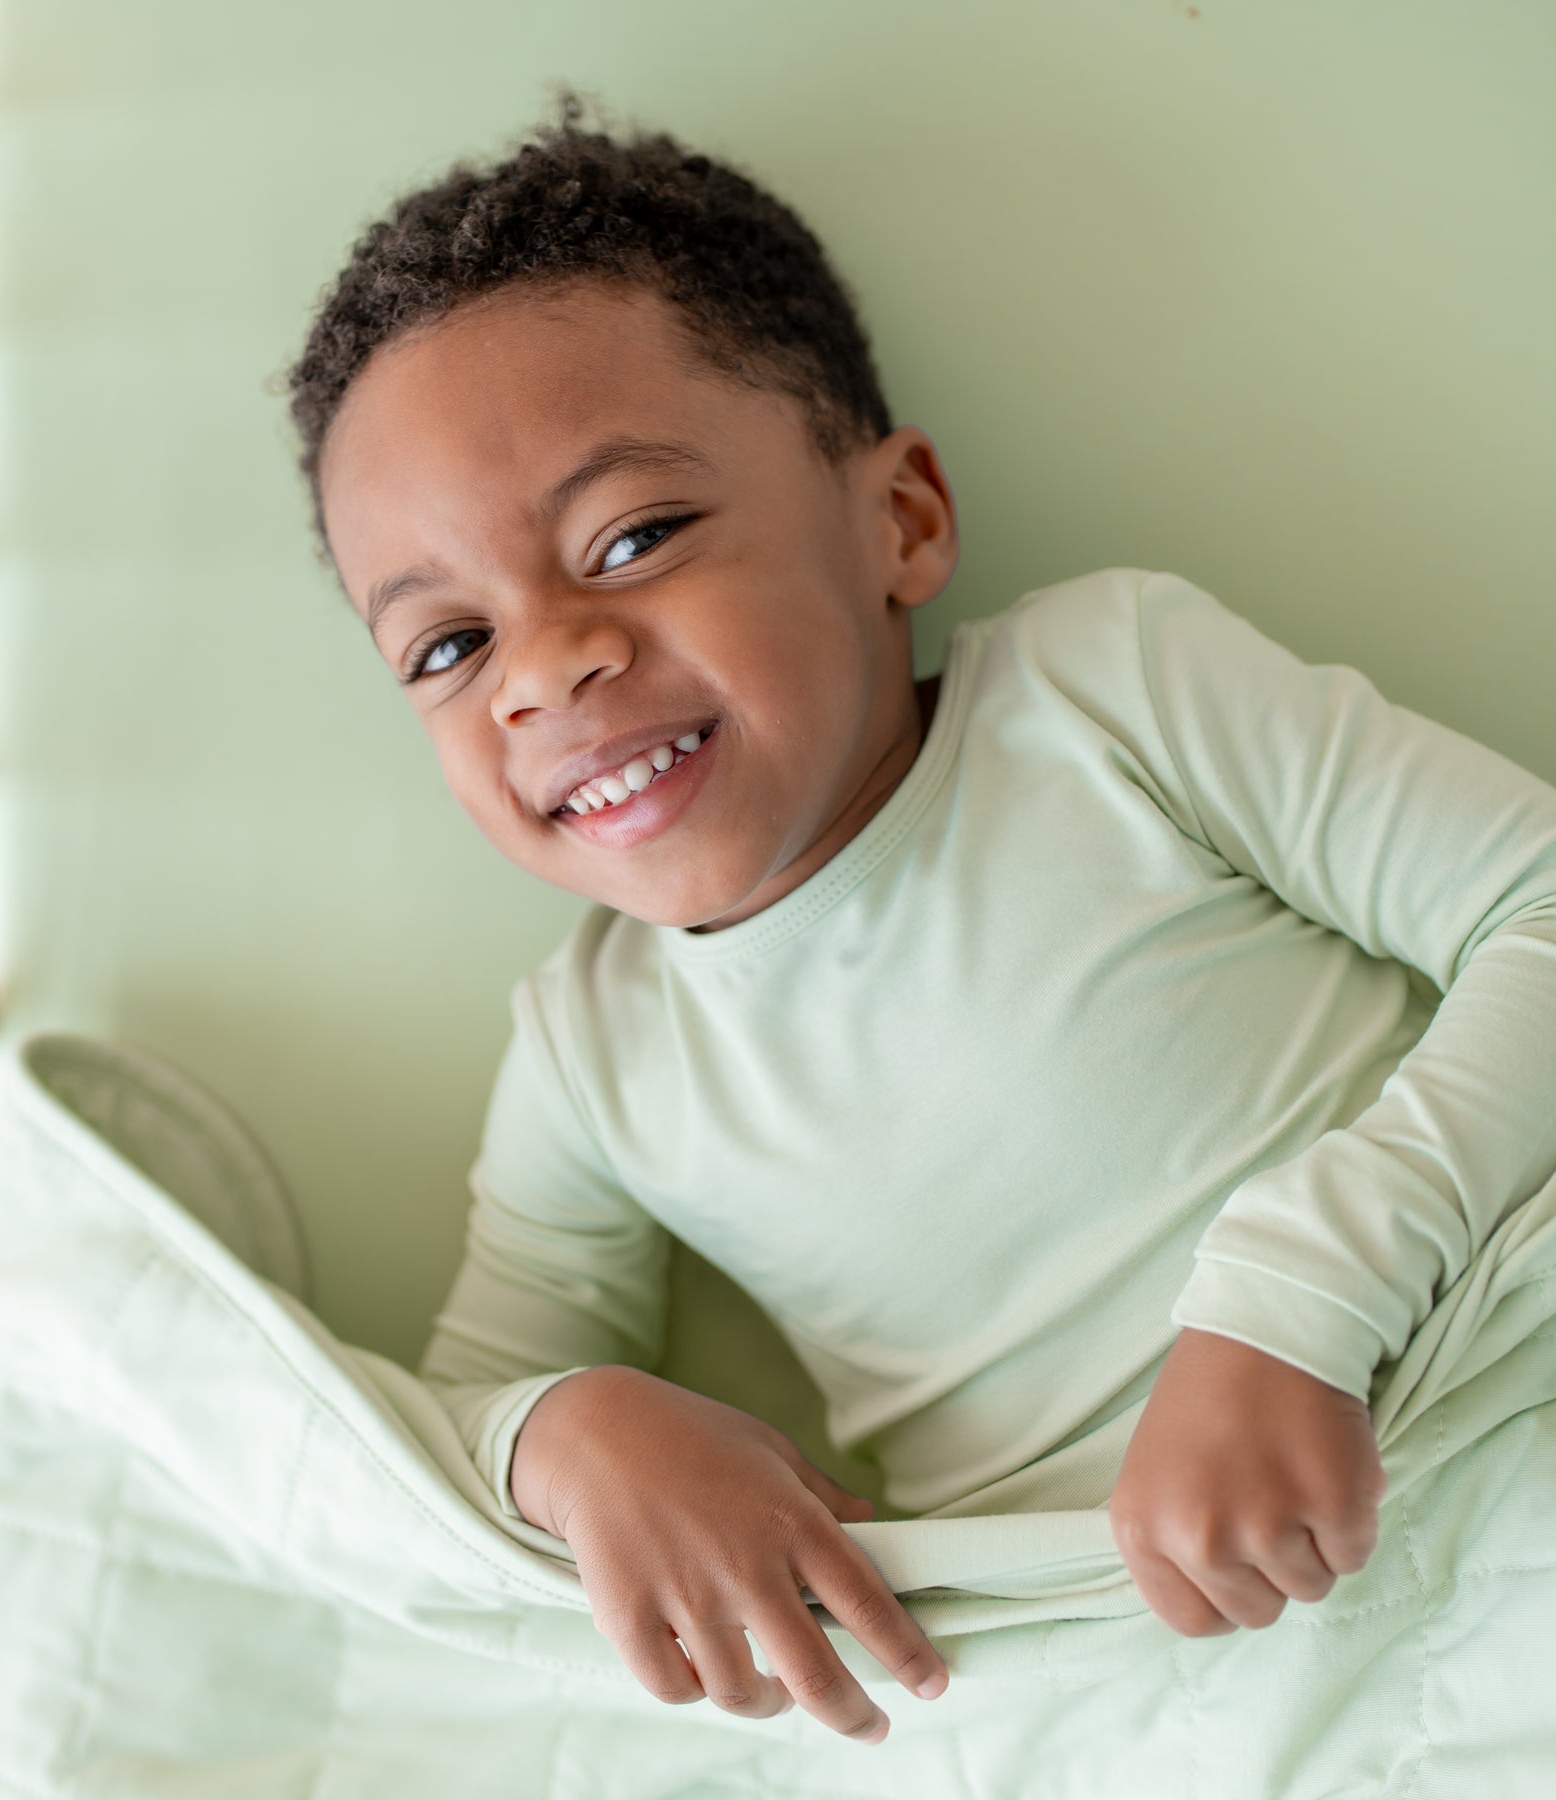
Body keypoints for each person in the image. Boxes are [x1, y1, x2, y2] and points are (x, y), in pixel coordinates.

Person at [282, 89, 1556, 1751]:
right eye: (448, 648)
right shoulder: (593, 1059)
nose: (545, 668)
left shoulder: (1106, 697)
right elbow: (444, 1446)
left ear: (900, 521)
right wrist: (573, 1436)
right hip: (1120, 1665)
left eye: (634, 537)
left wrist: (1304, 1297)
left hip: (1483, 1399)